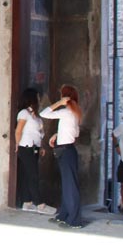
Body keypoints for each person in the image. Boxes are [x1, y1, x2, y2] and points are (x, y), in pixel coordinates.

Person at [40, 85, 84, 229]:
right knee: (67, 184)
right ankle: (64, 215)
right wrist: (58, 135)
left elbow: (44, 113)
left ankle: (75, 220)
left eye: (62, 95)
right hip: (67, 149)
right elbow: (75, 133)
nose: (60, 97)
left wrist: (59, 104)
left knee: (70, 186)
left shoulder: (66, 112)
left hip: (66, 151)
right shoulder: (75, 113)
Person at [14, 88, 56, 215]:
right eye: (37, 97)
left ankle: (27, 202)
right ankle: (39, 204)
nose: (39, 100)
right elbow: (18, 130)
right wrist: (17, 144)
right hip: (26, 147)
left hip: (35, 147)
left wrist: (41, 146)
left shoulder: (36, 116)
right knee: (33, 176)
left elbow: (38, 133)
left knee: (29, 175)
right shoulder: (23, 113)